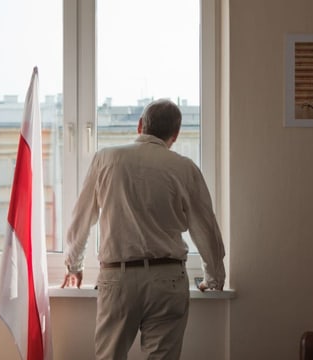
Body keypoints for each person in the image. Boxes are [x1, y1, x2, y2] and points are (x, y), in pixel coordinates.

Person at [61, 98, 226, 359]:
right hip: (168, 277)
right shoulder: (184, 168)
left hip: (118, 277)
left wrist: (74, 266)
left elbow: (82, 217)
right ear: (175, 134)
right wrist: (214, 278)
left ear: (140, 126)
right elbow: (205, 227)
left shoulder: (106, 159)